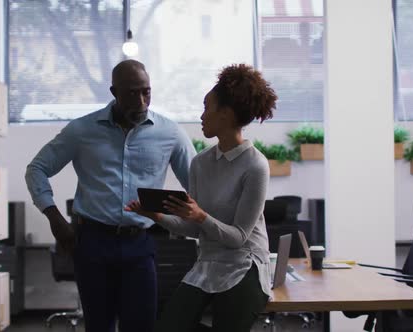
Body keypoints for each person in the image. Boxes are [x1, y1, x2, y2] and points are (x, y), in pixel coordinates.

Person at [25, 59, 196, 332]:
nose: (141, 101)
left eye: (146, 91)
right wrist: (53, 216)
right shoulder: (82, 130)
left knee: (141, 326)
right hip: (92, 242)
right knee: (98, 326)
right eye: (131, 93)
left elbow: (197, 185)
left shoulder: (170, 133)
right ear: (114, 92)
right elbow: (37, 169)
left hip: (140, 243)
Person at [125, 63, 278, 332]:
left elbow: (238, 238)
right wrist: (158, 216)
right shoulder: (200, 163)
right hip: (208, 264)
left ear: (226, 115)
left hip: (245, 265)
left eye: (207, 107)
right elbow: (197, 230)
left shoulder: (256, 165)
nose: (201, 115)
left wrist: (200, 216)